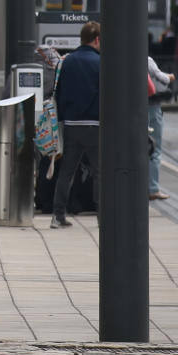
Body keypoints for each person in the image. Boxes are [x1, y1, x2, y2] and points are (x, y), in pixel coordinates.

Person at [51, 21, 101, 229]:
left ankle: (58, 215)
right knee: (100, 173)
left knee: (66, 172)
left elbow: (58, 92)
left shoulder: (66, 61)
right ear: (97, 39)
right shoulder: (101, 62)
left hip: (71, 124)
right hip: (95, 125)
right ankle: (103, 217)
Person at [148, 55, 174, 201]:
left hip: (132, 108)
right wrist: (170, 77)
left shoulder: (120, 57)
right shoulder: (146, 60)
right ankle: (152, 189)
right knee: (153, 147)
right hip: (151, 106)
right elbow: (162, 79)